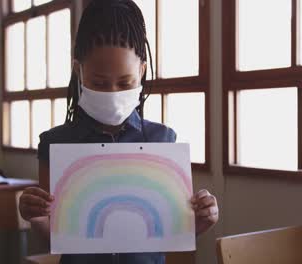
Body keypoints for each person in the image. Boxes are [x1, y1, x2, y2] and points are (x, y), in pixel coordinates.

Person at [19, 0, 219, 263]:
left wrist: (203, 220)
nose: (113, 93)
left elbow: (173, 232)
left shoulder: (163, 141)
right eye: (99, 83)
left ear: (142, 71)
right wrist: (35, 216)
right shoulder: (56, 144)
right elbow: (54, 235)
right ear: (78, 71)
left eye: (126, 82)